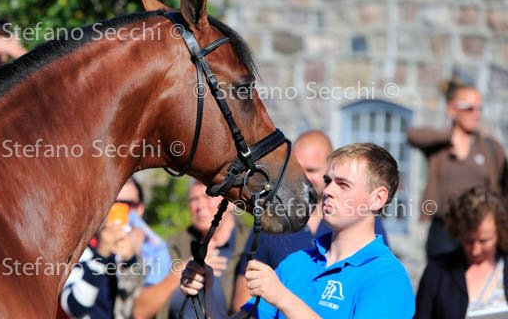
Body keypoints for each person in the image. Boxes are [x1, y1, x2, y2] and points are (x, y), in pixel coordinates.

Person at [181, 143, 415, 318]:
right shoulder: (296, 263)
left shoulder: (388, 278)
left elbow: (283, 299)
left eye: (343, 184)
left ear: (377, 198)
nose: (329, 191)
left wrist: (283, 298)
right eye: (328, 181)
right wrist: (206, 293)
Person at [232, 130, 389, 310]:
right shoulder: (276, 226)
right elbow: (244, 303)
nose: (304, 177)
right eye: (298, 169)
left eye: (312, 170)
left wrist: (282, 297)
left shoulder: (361, 227)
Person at [408, 79, 508, 259]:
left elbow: (503, 188)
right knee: (439, 275)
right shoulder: (440, 146)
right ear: (452, 109)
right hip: (444, 230)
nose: (475, 114)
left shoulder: (490, 147)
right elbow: (413, 136)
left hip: (479, 230)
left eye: (479, 109)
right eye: (469, 108)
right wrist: (450, 137)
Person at [133, 178, 250, 319]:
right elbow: (139, 312)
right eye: (194, 199)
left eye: (208, 197)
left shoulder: (250, 245)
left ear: (230, 203)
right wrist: (182, 272)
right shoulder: (173, 246)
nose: (200, 206)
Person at [60, 177, 170, 319]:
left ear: (140, 209)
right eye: (113, 202)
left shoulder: (156, 252)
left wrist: (131, 261)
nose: (119, 211)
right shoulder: (81, 249)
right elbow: (76, 309)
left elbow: (143, 309)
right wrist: (101, 254)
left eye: (128, 204)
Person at [415, 186, 508, 318]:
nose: (475, 251)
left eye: (484, 241)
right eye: (468, 241)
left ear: (500, 232)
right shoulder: (438, 272)